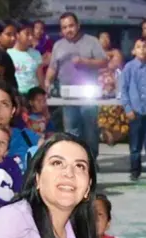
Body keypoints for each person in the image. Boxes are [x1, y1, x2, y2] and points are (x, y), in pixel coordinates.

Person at [45, 12, 107, 160]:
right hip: (67, 95)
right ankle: (74, 160)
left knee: (90, 129)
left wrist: (85, 62)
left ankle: (91, 160)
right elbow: (53, 67)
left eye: (71, 26)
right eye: (64, 27)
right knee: (71, 131)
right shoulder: (58, 45)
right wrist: (47, 83)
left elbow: (104, 61)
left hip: (88, 94)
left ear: (78, 25)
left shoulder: (91, 42)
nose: (68, 30)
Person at [119, 38, 146, 181]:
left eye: (145, 47)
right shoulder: (129, 68)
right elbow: (123, 89)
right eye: (138, 47)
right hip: (135, 111)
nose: (142, 50)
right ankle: (135, 170)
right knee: (135, 144)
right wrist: (127, 108)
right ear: (133, 51)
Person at [8, 22, 42, 95]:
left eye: (32, 34)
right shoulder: (8, 54)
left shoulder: (36, 54)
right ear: (17, 35)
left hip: (33, 95)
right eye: (27, 34)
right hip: (17, 95)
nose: (30, 37)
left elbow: (40, 76)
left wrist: (43, 92)